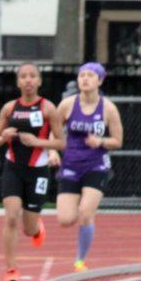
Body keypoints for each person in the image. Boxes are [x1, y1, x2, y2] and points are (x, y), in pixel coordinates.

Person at [0, 63, 65, 281]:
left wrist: (38, 142)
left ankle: (36, 227)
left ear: (39, 81)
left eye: (33, 76)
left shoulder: (48, 108)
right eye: (23, 76)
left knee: (28, 228)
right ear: (18, 82)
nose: (28, 80)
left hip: (38, 171)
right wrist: (4, 137)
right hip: (13, 167)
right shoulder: (9, 108)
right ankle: (11, 268)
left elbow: (62, 142)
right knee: (11, 216)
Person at [56, 62, 124, 270]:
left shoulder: (109, 108)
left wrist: (101, 142)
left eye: (90, 76)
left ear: (99, 81)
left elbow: (118, 141)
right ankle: (81, 221)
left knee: (85, 212)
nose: (84, 79)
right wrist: (51, 151)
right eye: (81, 75)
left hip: (96, 165)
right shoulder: (67, 105)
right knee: (65, 220)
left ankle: (80, 260)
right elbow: (53, 131)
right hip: (70, 164)